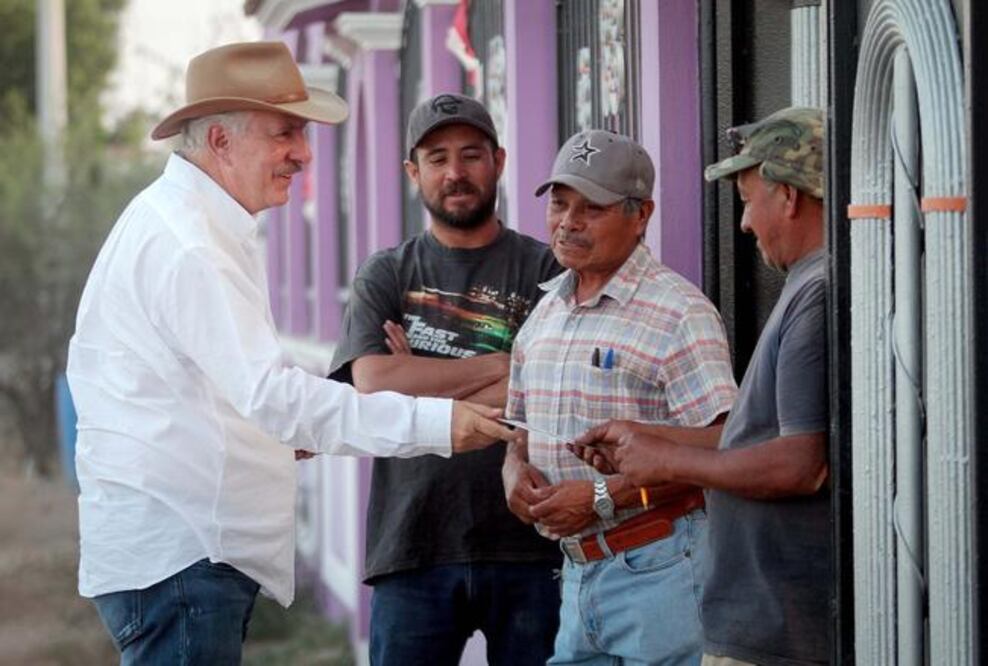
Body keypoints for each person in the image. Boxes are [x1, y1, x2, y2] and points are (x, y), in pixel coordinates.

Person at [66, 43, 516, 665]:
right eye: (286, 134)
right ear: (220, 140)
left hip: (181, 557)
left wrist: (279, 430)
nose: (304, 155)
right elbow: (273, 398)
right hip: (185, 558)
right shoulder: (190, 245)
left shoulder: (188, 224)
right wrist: (439, 423)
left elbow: (213, 392)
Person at [575, 107, 830, 666]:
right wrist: (644, 440)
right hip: (761, 621)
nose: (743, 223)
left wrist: (667, 465)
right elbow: (755, 439)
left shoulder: (817, 293)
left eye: (747, 199)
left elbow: (799, 464)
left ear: (788, 197)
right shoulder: (807, 284)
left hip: (781, 632)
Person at [327, 92, 563, 666]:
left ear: (499, 161)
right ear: (414, 173)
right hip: (414, 542)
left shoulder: (546, 270)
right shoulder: (386, 272)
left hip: (531, 543)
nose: (455, 172)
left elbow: (551, 381)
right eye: (437, 158)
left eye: (471, 155)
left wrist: (422, 380)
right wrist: (505, 362)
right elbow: (374, 382)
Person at [502, 129, 737, 665]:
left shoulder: (679, 312)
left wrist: (603, 497)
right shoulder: (546, 312)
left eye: (592, 208)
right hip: (575, 573)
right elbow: (519, 429)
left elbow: (724, 447)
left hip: (659, 569)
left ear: (641, 214)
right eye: (560, 203)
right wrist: (513, 471)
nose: (568, 222)